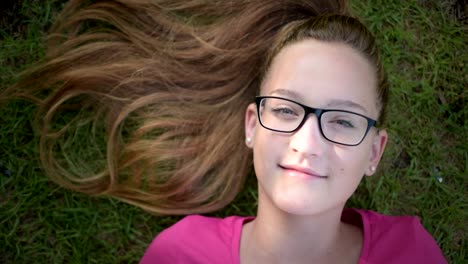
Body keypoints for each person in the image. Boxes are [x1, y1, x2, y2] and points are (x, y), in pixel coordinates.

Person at [3, 0, 446, 263]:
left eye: (342, 120)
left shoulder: (413, 252)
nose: (307, 143)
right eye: (288, 110)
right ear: (252, 125)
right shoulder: (181, 254)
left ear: (374, 152)